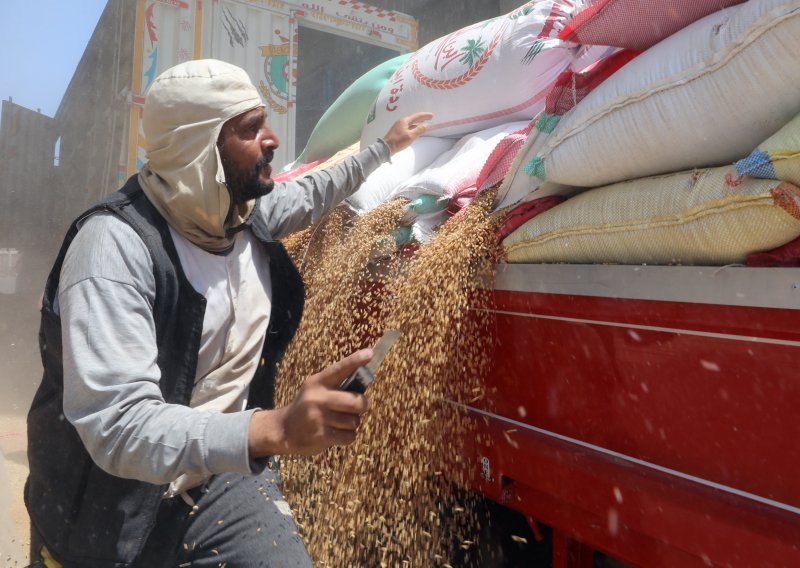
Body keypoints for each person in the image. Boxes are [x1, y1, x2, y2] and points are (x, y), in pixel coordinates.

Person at [25, 59, 431, 568]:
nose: (273, 138)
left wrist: (384, 147)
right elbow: (120, 425)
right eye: (249, 128)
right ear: (201, 151)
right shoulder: (112, 251)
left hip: (221, 481)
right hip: (110, 506)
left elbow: (312, 192)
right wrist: (274, 429)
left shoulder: (244, 213)